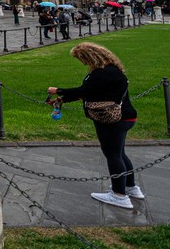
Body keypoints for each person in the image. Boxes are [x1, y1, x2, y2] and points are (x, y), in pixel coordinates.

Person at [47, 42, 140, 209]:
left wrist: (58, 90)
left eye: (81, 58)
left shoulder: (101, 73)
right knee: (120, 154)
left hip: (112, 119)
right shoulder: (113, 70)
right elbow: (93, 92)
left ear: (90, 57)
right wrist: (63, 99)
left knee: (113, 155)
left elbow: (83, 91)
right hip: (126, 116)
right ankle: (130, 187)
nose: (82, 62)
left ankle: (119, 195)